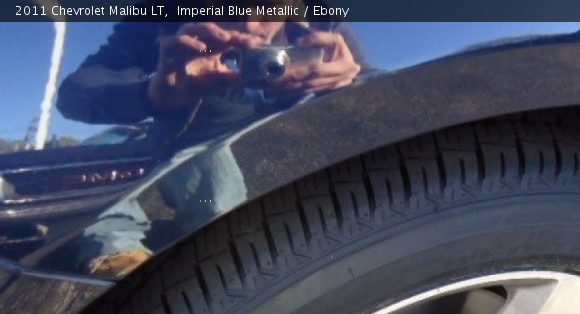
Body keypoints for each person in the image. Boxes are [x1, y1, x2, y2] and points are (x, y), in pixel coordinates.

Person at [57, 7, 364, 277]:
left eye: (269, 11)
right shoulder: (160, 18)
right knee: (107, 147)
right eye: (232, 10)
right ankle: (116, 248)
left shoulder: (321, 29)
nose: (250, 27)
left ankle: (219, 248)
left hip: (251, 163)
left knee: (215, 168)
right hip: (165, 146)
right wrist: (149, 93)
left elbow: (393, 102)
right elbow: (74, 92)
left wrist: (352, 85)